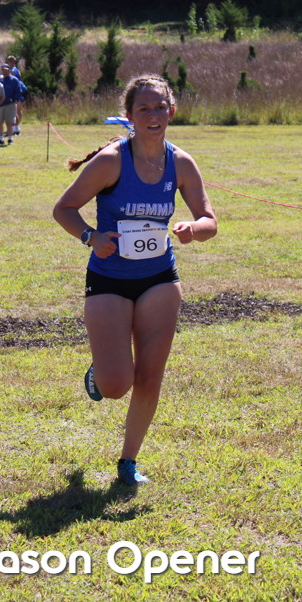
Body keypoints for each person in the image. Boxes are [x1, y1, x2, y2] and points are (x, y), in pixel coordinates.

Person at [52, 74, 218, 486]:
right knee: (115, 385)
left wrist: (193, 229)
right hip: (109, 278)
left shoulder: (181, 163)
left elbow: (210, 221)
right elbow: (64, 209)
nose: (153, 115)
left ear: (171, 111)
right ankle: (102, 371)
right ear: (129, 116)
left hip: (159, 278)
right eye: (144, 108)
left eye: (160, 107)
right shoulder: (111, 161)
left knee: (149, 376)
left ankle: (128, 461)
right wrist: (91, 237)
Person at [0, 64, 22, 143]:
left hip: (10, 104)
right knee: (0, 122)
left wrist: (12, 99)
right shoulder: (0, 80)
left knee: (9, 122)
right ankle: (1, 138)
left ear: (9, 71)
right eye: (3, 70)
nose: (4, 72)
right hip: (0, 104)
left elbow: (18, 91)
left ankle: (10, 138)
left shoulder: (14, 80)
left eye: (6, 70)